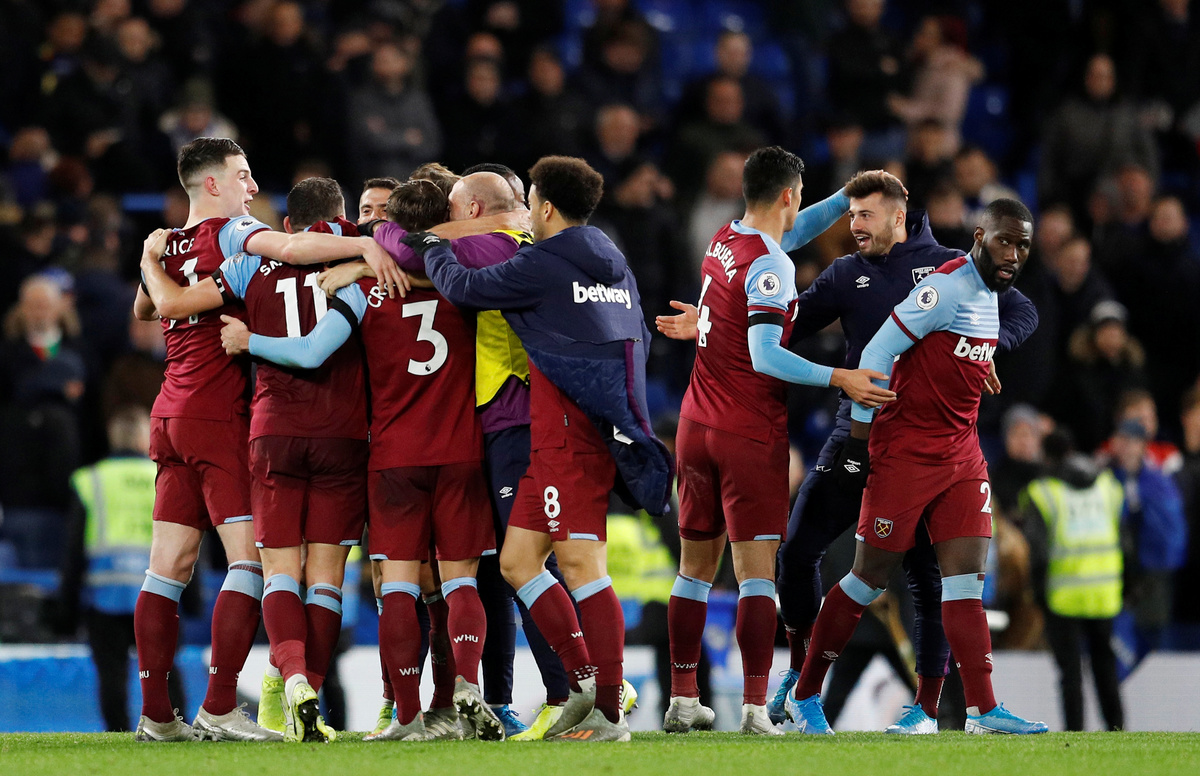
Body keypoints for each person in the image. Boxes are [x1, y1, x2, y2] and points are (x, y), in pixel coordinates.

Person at [657, 171, 1039, 733]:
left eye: (865, 215)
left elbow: (1023, 312)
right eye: (851, 214)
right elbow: (785, 326)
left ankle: (928, 708)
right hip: (859, 432)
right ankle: (800, 677)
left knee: (929, 578)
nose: (854, 225)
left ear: (898, 216)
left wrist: (987, 346)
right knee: (799, 551)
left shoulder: (953, 266)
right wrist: (720, 319)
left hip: (934, 445)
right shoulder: (845, 273)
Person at [130, 137, 400, 743]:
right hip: (220, 416)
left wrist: (146, 258)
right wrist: (364, 244)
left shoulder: (167, 244)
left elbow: (153, 308)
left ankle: (156, 715)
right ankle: (220, 706)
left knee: (167, 568)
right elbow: (295, 247)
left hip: (168, 412)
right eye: (243, 175)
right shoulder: (235, 234)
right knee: (250, 564)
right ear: (214, 185)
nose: (252, 187)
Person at [219, 177, 503, 743]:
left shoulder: (366, 289)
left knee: (392, 587)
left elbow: (310, 347)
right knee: (458, 584)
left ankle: (399, 716)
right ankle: (465, 687)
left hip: (387, 454)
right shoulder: (467, 287)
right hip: (458, 450)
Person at [412, 155, 675, 742]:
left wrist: (432, 246)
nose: (525, 211)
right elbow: (635, 338)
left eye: (529, 200)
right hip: (569, 430)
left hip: (567, 437)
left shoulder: (543, 264)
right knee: (517, 563)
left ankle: (610, 710)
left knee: (582, 566)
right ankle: (583, 682)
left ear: (547, 207)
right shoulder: (614, 265)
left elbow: (465, 288)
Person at [656, 148, 897, 737]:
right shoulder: (773, 266)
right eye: (801, 197)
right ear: (788, 195)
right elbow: (765, 355)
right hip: (746, 431)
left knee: (693, 571)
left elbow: (781, 243)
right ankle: (754, 707)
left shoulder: (725, 238)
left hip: (695, 425)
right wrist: (840, 377)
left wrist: (845, 197)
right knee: (756, 576)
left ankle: (683, 699)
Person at [785, 198, 1048, 736]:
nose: (1013, 255)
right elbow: (875, 356)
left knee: (965, 584)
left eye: (1023, 246)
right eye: (1005, 241)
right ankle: (804, 694)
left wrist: (986, 353)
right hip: (904, 454)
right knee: (867, 580)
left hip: (962, 455)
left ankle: (980, 710)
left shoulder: (992, 294)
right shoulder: (943, 290)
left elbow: (1008, 327)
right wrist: (860, 444)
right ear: (980, 236)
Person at [56, 406, 184, 733]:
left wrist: (67, 606)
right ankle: (175, 729)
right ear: (145, 439)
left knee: (111, 675)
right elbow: (186, 538)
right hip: (160, 592)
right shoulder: (166, 477)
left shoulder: (91, 480)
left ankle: (118, 735)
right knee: (166, 670)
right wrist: (193, 597)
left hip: (105, 594)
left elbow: (73, 549)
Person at [1021, 429, 1125, 731]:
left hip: (1062, 595)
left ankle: (1075, 733)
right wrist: (1128, 584)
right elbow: (1126, 541)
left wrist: (1037, 593)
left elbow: (1037, 553)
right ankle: (1117, 729)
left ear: (1046, 457)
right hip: (1104, 592)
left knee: (1070, 672)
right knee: (1105, 665)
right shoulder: (1107, 486)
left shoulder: (1043, 492)